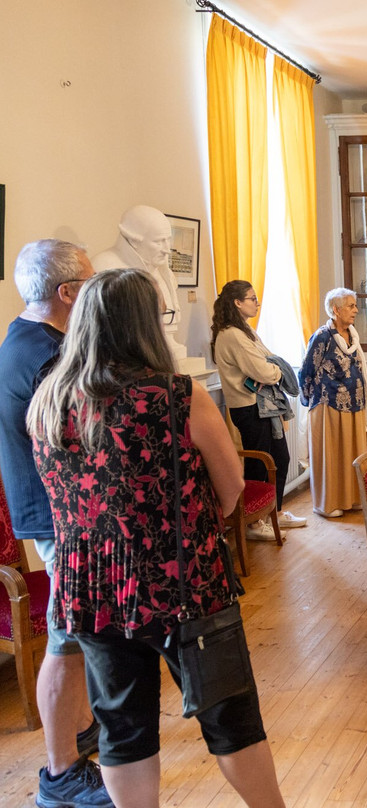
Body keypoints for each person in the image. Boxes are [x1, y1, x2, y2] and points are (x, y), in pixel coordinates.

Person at [27, 268, 286, 808]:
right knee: (231, 718)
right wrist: (192, 520)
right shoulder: (176, 396)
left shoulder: (48, 400)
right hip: (184, 579)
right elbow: (233, 485)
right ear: (143, 323)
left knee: (123, 730)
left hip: (94, 588)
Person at [0, 239, 113, 808]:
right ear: (68, 292)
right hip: (58, 514)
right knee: (66, 640)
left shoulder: (31, 339)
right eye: (90, 282)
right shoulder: (42, 355)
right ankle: (60, 774)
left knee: (81, 634)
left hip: (57, 511)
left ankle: (79, 732)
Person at [210, 280, 306, 538]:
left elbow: (269, 359)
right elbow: (265, 369)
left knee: (280, 459)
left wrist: (272, 368)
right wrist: (275, 370)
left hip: (263, 405)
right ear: (237, 302)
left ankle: (272, 513)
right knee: (259, 465)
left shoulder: (245, 331)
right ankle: (254, 523)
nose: (256, 303)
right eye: (252, 298)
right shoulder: (231, 334)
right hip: (249, 408)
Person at [298, 288, 367, 517]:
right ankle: (328, 503)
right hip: (329, 404)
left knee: (353, 452)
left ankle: (352, 498)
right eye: (350, 306)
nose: (355, 310)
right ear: (335, 310)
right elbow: (305, 371)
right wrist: (311, 400)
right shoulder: (322, 336)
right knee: (331, 456)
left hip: (355, 404)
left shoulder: (352, 334)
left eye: (355, 305)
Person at [91, 205, 187, 363]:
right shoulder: (104, 267)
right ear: (134, 241)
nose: (167, 249)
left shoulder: (165, 273)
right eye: (158, 242)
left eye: (168, 240)